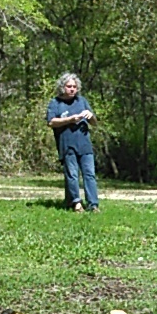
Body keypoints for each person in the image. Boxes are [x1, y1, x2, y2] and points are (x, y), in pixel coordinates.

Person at [47, 72, 99, 212]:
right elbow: (51, 122)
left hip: (85, 145)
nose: (72, 89)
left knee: (89, 174)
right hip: (67, 145)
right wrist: (70, 119)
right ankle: (76, 202)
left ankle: (93, 204)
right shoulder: (55, 103)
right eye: (69, 86)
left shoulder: (82, 101)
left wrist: (91, 116)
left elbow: (94, 123)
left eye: (74, 87)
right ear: (62, 87)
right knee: (72, 175)